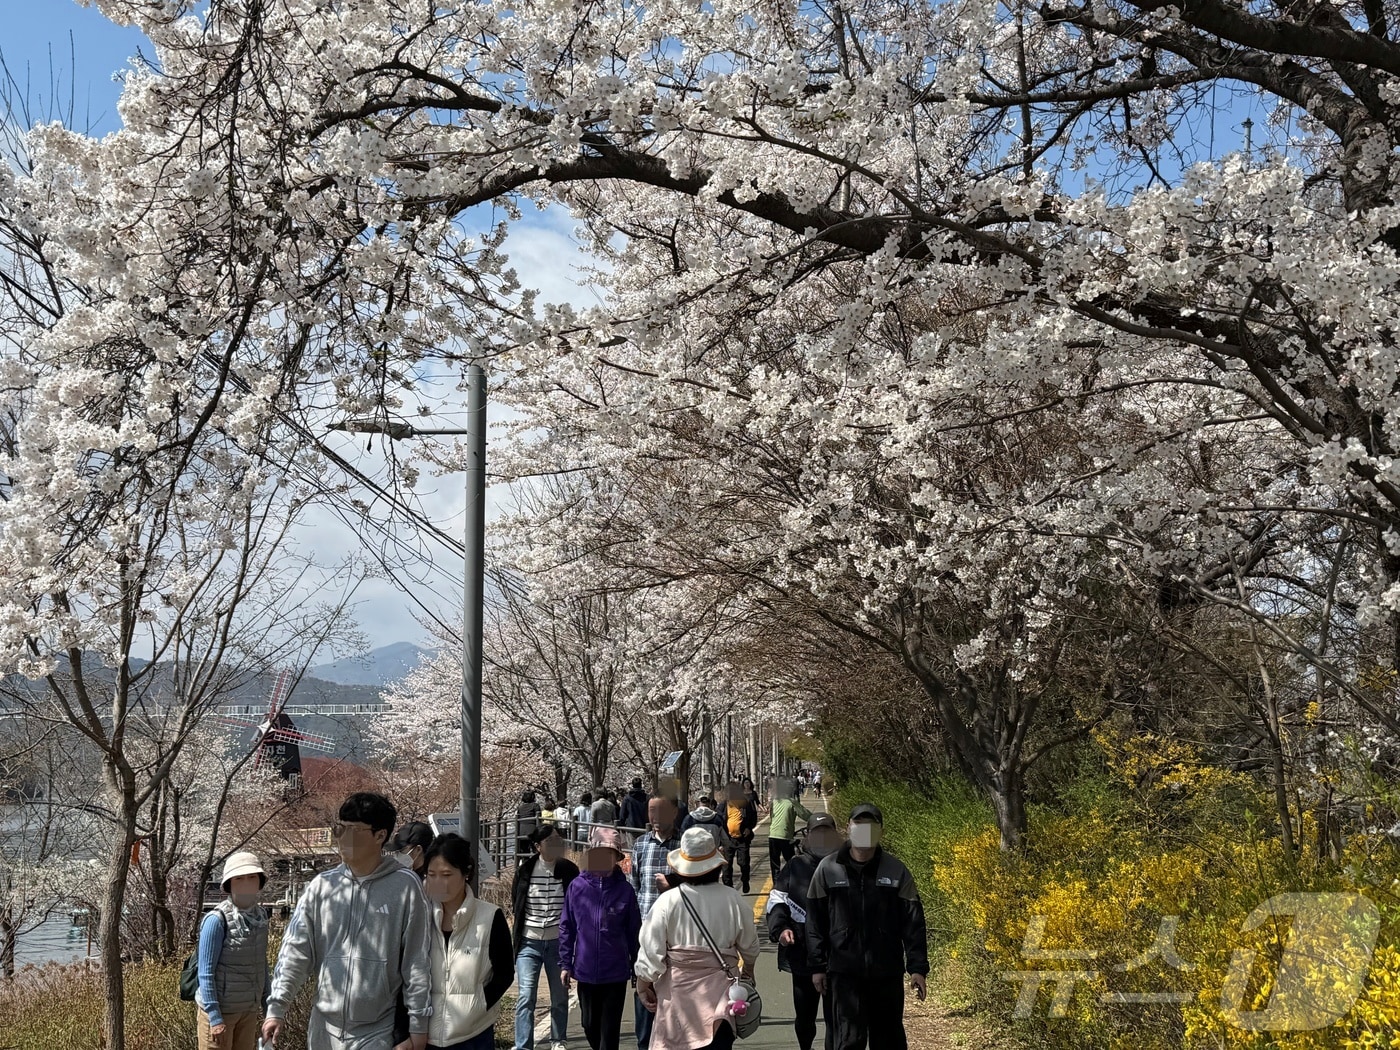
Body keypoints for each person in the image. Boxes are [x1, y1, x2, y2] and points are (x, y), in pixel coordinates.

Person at [263, 792, 433, 1050]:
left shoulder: (406, 887)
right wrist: (277, 1008)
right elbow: (296, 950)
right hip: (323, 1029)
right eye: (340, 828)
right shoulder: (322, 886)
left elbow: (417, 961)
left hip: (377, 1029)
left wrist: (418, 1025)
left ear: (380, 835)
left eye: (353, 830)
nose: (343, 837)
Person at [806, 803, 929, 1050]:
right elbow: (815, 921)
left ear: (880, 832)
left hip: (886, 973)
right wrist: (817, 966)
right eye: (858, 825)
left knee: (889, 1040)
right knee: (849, 1041)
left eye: (871, 827)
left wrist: (917, 968)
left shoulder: (896, 871)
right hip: (844, 974)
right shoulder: (828, 869)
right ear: (848, 828)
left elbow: (913, 922)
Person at [635, 827, 760, 1050]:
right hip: (721, 998)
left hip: (678, 1000)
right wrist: (748, 970)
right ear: (716, 865)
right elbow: (749, 947)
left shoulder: (667, 902)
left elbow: (651, 954)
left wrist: (644, 986)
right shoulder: (733, 899)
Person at [422, 833, 514, 1050]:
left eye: (446, 874)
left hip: (474, 1034)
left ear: (466, 873)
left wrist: (479, 1005)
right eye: (431, 874)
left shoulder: (490, 916)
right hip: (425, 1035)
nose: (438, 882)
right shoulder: (419, 915)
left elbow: (504, 973)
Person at [560, 827, 643, 1050]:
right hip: (585, 971)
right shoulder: (577, 887)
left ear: (617, 858)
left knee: (609, 1034)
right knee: (589, 1024)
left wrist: (638, 966)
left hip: (615, 973)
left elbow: (634, 931)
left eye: (611, 854)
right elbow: (567, 926)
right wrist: (566, 963)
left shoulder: (625, 890)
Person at [765, 815, 842, 1050]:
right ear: (807, 836)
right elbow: (776, 901)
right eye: (816, 832)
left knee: (837, 1020)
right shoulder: (795, 866)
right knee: (805, 1018)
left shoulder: (847, 864)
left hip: (840, 956)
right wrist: (781, 928)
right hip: (802, 955)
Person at [512, 822, 579, 1050]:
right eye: (550, 841)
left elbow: (575, 907)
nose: (555, 845)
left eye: (558, 840)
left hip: (557, 942)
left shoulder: (569, 870)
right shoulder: (525, 870)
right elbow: (517, 904)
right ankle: (523, 1045)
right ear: (538, 846)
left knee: (559, 996)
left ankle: (558, 1039)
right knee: (526, 996)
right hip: (528, 942)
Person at [195, 851, 270, 1050]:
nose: (246, 883)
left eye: (252, 877)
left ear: (260, 882)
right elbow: (205, 973)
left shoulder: (261, 917)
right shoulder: (216, 920)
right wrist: (215, 1017)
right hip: (219, 1013)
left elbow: (261, 964)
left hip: (248, 1010)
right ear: (229, 884)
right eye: (239, 878)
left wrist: (269, 1008)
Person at [629, 794, 682, 1049]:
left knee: (675, 996)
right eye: (651, 810)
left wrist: (671, 884)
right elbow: (635, 887)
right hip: (646, 933)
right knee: (644, 991)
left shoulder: (684, 846)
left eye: (661, 810)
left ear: (674, 812)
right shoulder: (639, 845)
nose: (655, 817)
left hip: (678, 934)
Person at [680, 796, 734, 887]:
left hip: (693, 858)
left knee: (695, 884)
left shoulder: (689, 819)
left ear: (696, 803)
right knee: (712, 885)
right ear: (709, 804)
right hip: (712, 857)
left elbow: (681, 839)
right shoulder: (717, 819)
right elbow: (726, 839)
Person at [767, 783, 811, 876]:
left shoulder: (775, 801)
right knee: (790, 861)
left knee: (775, 863)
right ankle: (791, 881)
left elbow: (772, 817)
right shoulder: (791, 802)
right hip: (785, 836)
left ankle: (776, 884)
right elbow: (806, 815)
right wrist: (815, 820)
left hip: (773, 835)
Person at [722, 785, 757, 893]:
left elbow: (753, 817)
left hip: (742, 839)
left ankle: (745, 881)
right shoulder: (724, 805)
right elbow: (719, 819)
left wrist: (749, 828)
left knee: (744, 863)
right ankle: (728, 887)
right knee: (726, 865)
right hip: (728, 840)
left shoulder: (745, 804)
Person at [517, 789, 543, 856]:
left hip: (521, 831)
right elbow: (539, 818)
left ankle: (525, 864)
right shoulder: (535, 806)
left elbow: (518, 818)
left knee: (524, 852)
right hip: (532, 830)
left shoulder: (520, 807)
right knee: (536, 851)